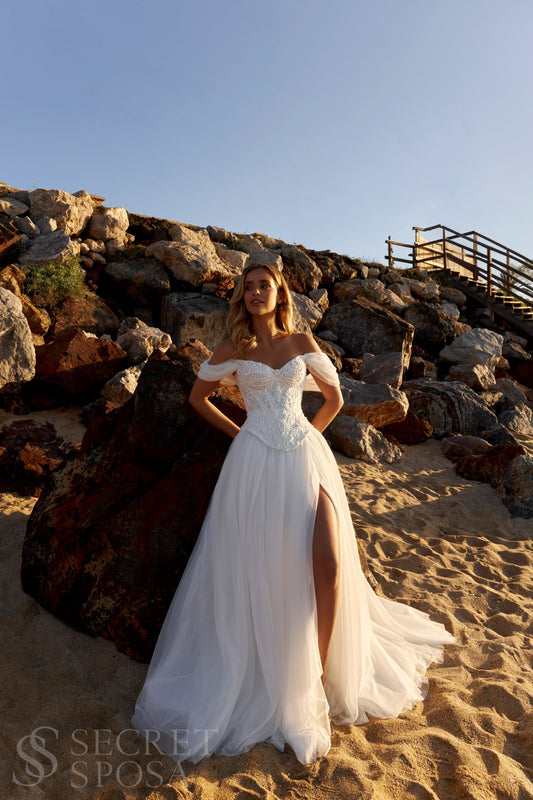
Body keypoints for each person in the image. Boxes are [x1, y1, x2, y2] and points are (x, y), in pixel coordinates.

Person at [131, 263, 454, 766]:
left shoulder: (303, 340)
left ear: (280, 294)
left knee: (328, 565)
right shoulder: (235, 347)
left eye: (265, 285)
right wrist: (242, 434)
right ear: (241, 295)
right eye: (249, 286)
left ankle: (319, 675)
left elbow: (334, 398)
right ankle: (282, 673)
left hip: (305, 456)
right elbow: (199, 397)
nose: (256, 292)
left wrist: (310, 437)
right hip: (254, 463)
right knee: (263, 568)